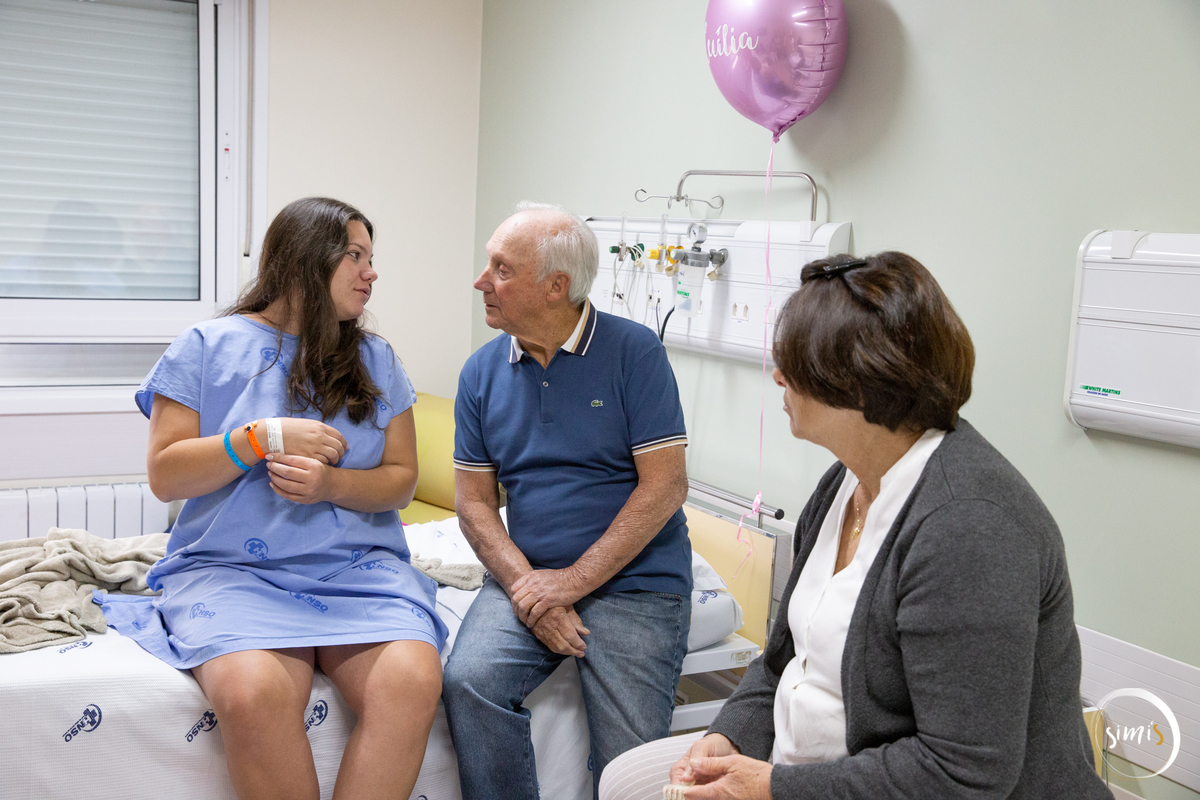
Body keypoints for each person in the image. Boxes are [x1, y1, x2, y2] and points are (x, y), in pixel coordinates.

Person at [599, 252, 1113, 800]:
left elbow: (963, 775)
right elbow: (783, 661)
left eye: (793, 363)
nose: (777, 376)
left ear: (860, 384)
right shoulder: (846, 482)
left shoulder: (968, 528)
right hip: (808, 770)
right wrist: (730, 736)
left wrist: (773, 787)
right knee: (625, 780)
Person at [97, 197, 447, 800]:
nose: (372, 272)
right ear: (307, 261)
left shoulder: (376, 359)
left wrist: (332, 485)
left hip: (356, 570)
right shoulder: (206, 346)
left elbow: (401, 480)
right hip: (233, 572)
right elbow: (166, 475)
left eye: (372, 258)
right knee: (251, 692)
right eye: (355, 256)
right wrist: (261, 437)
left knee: (414, 680)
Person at [442, 202, 692, 800]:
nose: (481, 282)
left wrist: (570, 584)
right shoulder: (481, 373)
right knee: (468, 681)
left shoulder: (635, 354)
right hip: (526, 577)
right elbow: (474, 503)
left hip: (636, 582)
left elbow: (666, 487)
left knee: (631, 767)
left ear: (556, 287)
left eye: (500, 270)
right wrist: (532, 592)